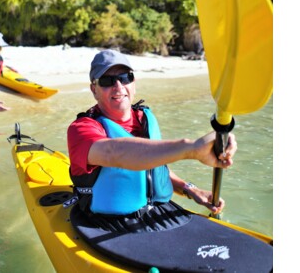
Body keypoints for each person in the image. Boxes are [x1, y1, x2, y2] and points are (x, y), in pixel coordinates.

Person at [67, 49, 236, 218]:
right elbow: (114, 153)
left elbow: (155, 167)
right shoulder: (81, 130)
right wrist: (191, 149)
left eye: (125, 78)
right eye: (106, 81)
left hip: (158, 211)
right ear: (94, 89)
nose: (118, 86)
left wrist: (190, 189)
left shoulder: (145, 118)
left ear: (134, 83)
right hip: (106, 223)